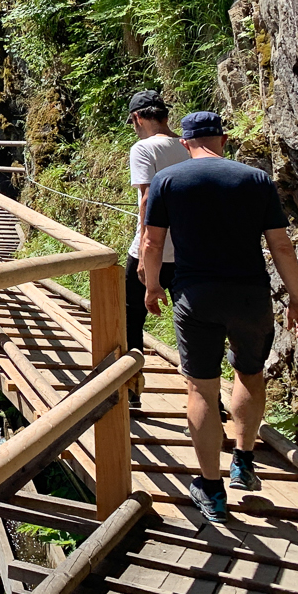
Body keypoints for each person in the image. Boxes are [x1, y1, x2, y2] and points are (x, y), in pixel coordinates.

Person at [139, 110, 298, 524]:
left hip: (196, 296)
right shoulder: (255, 179)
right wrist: (297, 300)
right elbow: (282, 246)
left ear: (185, 143)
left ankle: (212, 490)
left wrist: (152, 286)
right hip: (250, 297)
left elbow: (152, 241)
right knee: (250, 374)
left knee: (201, 389)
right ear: (224, 139)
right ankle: (244, 462)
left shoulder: (168, 180)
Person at [122, 91, 189, 403]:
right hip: (187, 250)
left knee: (130, 319)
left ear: (137, 118)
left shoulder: (143, 148)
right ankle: (208, 397)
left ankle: (131, 390)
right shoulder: (189, 145)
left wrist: (144, 251)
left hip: (153, 248)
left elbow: (148, 199)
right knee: (191, 323)